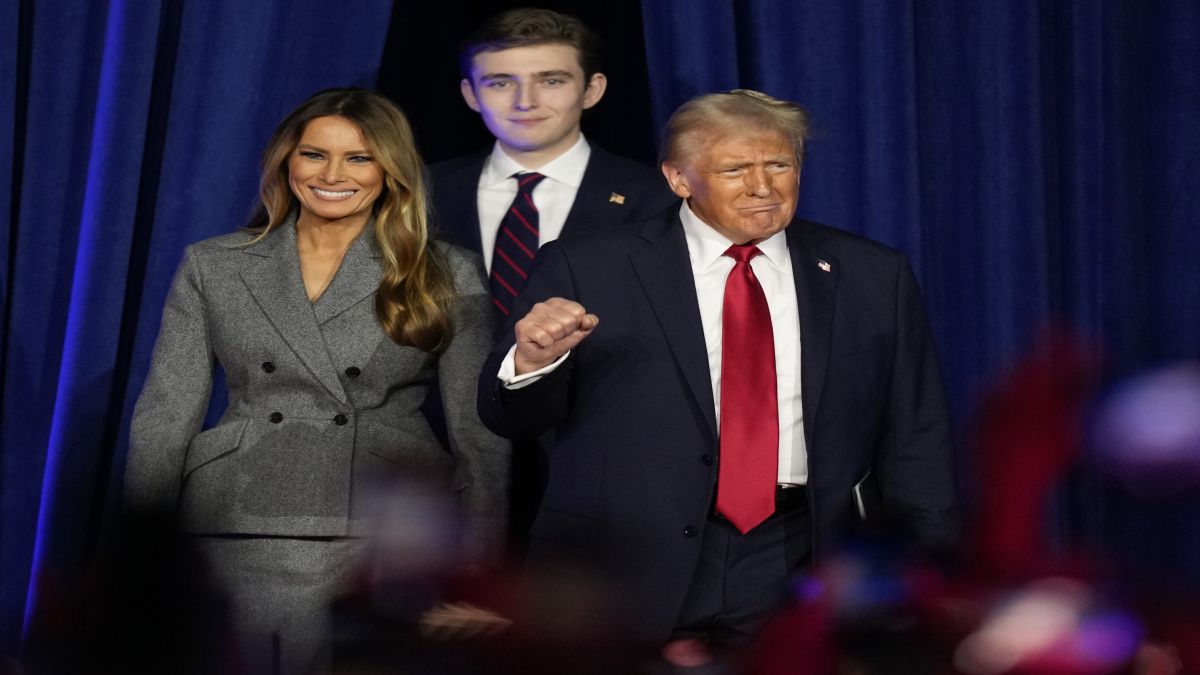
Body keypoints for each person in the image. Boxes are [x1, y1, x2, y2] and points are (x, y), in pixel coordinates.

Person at [477, 90, 961, 648]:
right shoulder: (588, 264)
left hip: (801, 554)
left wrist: (928, 573)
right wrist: (534, 362)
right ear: (679, 179)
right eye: (735, 169)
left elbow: (916, 439)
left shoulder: (872, 274)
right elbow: (508, 418)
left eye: (779, 165)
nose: (763, 186)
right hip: (628, 562)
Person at [125, 88, 509, 673]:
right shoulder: (215, 263)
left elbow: (478, 428)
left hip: (381, 528)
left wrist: (478, 565)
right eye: (314, 155)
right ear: (286, 161)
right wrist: (141, 550)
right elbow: (166, 412)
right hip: (234, 518)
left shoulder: (444, 270)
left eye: (359, 158)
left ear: (390, 170)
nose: (333, 174)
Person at [428, 7, 677, 556]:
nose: (525, 101)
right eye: (500, 82)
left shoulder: (657, 200)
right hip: (444, 475)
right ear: (470, 94)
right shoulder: (419, 195)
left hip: (594, 467)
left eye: (551, 80)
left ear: (593, 89)